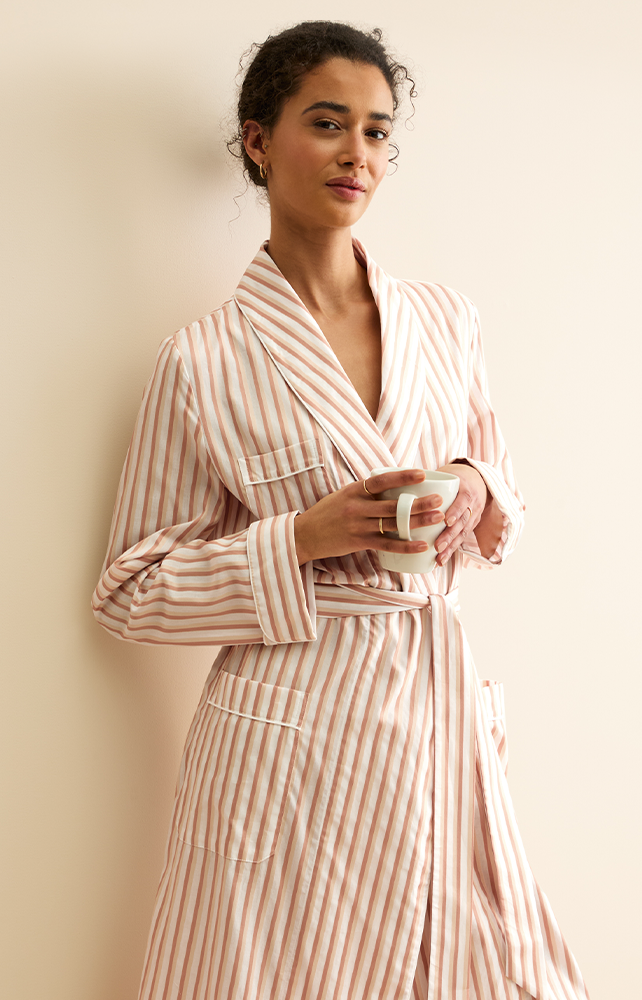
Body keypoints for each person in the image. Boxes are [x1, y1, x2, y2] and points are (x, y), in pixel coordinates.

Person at [92, 21, 590, 1000]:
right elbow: (129, 591)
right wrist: (299, 539)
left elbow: (505, 494)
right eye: (327, 124)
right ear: (258, 140)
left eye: (376, 131)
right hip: (288, 741)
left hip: (437, 713)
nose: (357, 153)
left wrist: (476, 485)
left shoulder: (445, 320)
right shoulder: (204, 361)